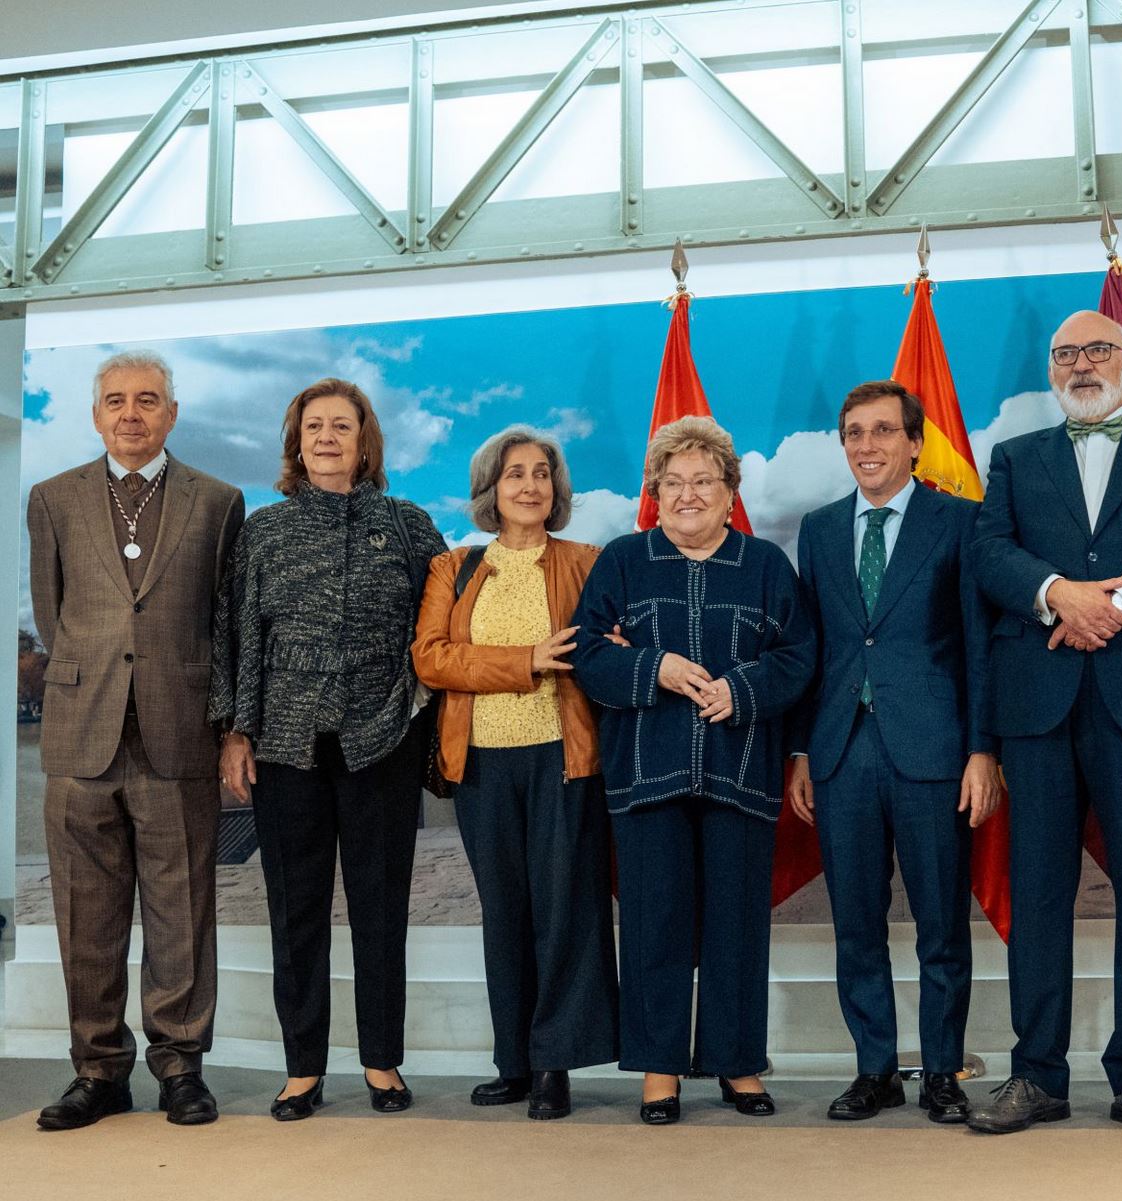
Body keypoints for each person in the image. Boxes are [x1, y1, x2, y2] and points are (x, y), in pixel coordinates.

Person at [965, 311, 1122, 1138]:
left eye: (1097, 350)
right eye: (1065, 353)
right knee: (1038, 892)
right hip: (1036, 709)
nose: (1081, 364)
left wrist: (1114, 606)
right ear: (1051, 369)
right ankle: (1035, 1073)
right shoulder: (1012, 457)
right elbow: (989, 552)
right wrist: (1056, 595)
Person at [210, 377, 446, 1120]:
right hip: (286, 742)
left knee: (381, 910)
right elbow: (238, 631)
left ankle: (381, 1061)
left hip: (384, 737)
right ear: (296, 441)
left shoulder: (408, 525)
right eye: (313, 425)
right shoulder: (265, 531)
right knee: (297, 910)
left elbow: (441, 630)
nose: (326, 436)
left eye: (341, 425)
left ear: (364, 440)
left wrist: (424, 718)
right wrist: (235, 731)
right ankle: (302, 1068)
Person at [571, 415, 815, 1126]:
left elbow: (799, 656)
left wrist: (742, 689)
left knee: (737, 923)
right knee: (654, 922)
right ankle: (659, 1069)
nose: (687, 493)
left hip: (742, 773)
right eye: (672, 482)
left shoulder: (768, 565)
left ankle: (737, 1063)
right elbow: (588, 654)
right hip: (646, 774)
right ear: (654, 492)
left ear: (729, 490)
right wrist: (656, 665)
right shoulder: (621, 560)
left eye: (703, 480)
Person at [26, 351, 244, 1130]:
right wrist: (96, 680)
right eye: (115, 400)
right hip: (81, 737)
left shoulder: (218, 502)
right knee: (86, 915)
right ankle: (98, 1071)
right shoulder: (52, 499)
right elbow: (55, 618)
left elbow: (225, 625)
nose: (130, 414)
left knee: (182, 909)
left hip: (176, 732)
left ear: (171, 414)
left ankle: (180, 1065)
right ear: (95, 415)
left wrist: (228, 728)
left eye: (147, 400)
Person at [786, 380, 1001, 1124]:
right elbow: (808, 650)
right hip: (841, 753)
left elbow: (979, 643)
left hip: (934, 752)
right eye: (853, 433)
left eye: (882, 431)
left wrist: (982, 750)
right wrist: (801, 752)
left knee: (942, 926)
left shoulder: (960, 522)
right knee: (855, 924)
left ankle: (942, 1070)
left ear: (914, 442)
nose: (867, 446)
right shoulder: (815, 530)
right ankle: (874, 1069)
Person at [411, 426, 619, 1120]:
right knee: (504, 913)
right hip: (480, 765)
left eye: (540, 474)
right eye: (513, 475)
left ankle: (556, 1060)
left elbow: (610, 650)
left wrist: (610, 644)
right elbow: (433, 659)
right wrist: (525, 658)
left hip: (565, 758)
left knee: (564, 911)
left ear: (556, 490)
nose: (529, 485)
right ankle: (516, 1063)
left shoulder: (588, 561)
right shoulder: (455, 568)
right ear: (489, 492)